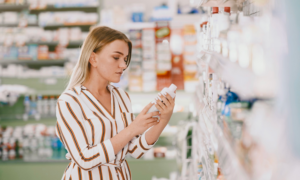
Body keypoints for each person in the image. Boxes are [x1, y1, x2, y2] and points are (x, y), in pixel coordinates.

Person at [55, 26, 176, 180]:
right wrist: (132, 129)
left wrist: (164, 118)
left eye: (125, 59)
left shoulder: (121, 96)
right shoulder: (70, 101)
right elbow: (84, 159)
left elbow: (135, 150)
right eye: (116, 57)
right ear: (93, 58)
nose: (124, 65)